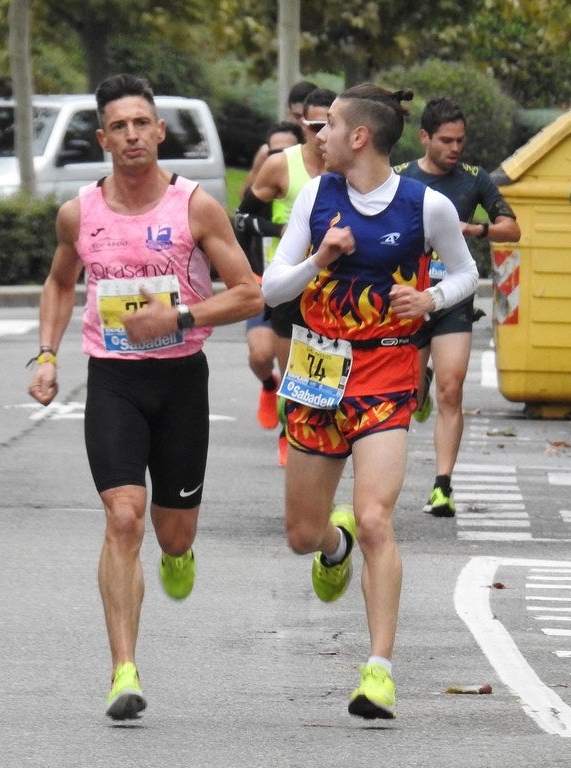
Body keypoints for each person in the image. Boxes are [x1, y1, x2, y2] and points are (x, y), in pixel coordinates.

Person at [28, 73, 263, 721]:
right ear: (103, 139)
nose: (132, 135)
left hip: (181, 379)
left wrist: (179, 319)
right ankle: (123, 670)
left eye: (142, 124)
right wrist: (47, 355)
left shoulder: (196, 207)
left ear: (159, 132)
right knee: (123, 517)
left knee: (174, 534)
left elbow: (250, 293)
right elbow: (57, 283)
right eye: (119, 127)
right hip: (115, 380)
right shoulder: (80, 212)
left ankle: (179, 555)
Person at [262, 84, 479, 719]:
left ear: (359, 137)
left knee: (379, 517)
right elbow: (273, 283)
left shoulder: (427, 207)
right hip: (316, 369)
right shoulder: (315, 195)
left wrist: (432, 301)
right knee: (302, 534)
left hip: (385, 369)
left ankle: (378, 670)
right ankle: (335, 546)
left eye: (327, 126)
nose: (317, 136)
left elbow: (467, 272)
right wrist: (320, 259)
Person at [394, 97, 520, 517]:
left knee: (453, 388)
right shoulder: (400, 179)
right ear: (424, 137)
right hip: (408, 301)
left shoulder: (473, 179)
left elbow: (512, 228)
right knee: (408, 396)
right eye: (446, 140)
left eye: (460, 141)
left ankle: (442, 486)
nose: (455, 149)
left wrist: (476, 228)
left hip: (453, 297)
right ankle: (419, 384)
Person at [236, 88, 336, 464]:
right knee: (276, 362)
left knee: (320, 376)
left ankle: (312, 436)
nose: (322, 132)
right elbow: (242, 219)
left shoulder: (351, 166)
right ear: (301, 123)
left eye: (331, 123)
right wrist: (277, 232)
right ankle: (286, 422)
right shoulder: (281, 165)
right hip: (284, 282)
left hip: (334, 286)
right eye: (314, 124)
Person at [237, 121, 303, 433]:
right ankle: (267, 384)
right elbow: (239, 221)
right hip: (262, 283)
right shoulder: (262, 191)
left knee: (292, 364)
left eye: (286, 149)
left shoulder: (304, 189)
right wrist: (278, 230)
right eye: (273, 150)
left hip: (298, 287)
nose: (280, 155)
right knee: (260, 356)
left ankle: (288, 431)